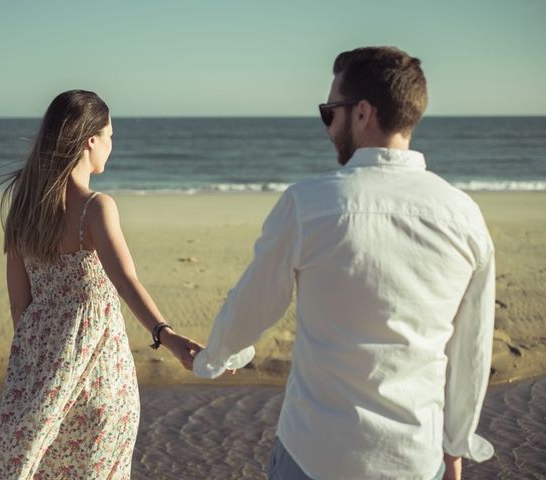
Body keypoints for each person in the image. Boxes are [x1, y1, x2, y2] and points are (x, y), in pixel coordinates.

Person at [193, 47, 495, 480]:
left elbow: (250, 309)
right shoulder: (463, 215)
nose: (327, 125)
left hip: (315, 453)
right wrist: (455, 444)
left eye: (329, 111)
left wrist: (216, 356)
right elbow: (471, 349)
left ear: (362, 113)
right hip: (415, 457)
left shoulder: (308, 204)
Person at [0, 90, 201, 479]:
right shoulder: (95, 208)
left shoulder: (23, 212)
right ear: (91, 140)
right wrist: (168, 337)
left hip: (39, 382)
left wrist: (39, 370)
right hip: (101, 382)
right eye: (109, 134)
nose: (112, 144)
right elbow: (124, 281)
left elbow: (19, 309)